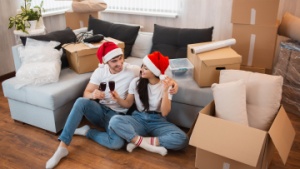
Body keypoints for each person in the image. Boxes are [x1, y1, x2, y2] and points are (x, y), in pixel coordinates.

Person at [46, 42, 178, 168]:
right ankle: (62, 147)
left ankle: (87, 131)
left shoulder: (133, 70)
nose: (119, 63)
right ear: (106, 61)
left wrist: (174, 85)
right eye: (114, 61)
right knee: (81, 101)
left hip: (117, 115)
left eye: (120, 58)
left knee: (117, 143)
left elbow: (156, 74)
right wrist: (93, 95)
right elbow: (86, 93)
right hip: (99, 111)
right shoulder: (100, 72)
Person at [109, 51, 188, 156]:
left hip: (157, 121)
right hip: (138, 118)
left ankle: (141, 142)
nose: (141, 70)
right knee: (115, 121)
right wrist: (118, 99)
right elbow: (128, 104)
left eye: (146, 68)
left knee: (182, 139)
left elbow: (164, 113)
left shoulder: (166, 86)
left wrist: (165, 91)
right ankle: (147, 145)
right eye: (142, 66)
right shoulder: (136, 83)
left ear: (155, 72)